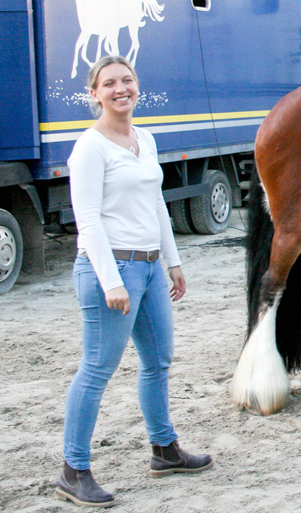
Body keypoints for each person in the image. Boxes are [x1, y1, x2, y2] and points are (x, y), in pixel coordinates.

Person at [56, 55, 212, 508]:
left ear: (137, 85)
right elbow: (87, 219)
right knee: (96, 370)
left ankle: (164, 450)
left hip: (147, 266)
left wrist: (173, 260)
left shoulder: (144, 138)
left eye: (127, 80)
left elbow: (157, 205)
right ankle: (73, 469)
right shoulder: (89, 147)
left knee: (158, 360)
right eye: (109, 84)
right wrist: (111, 281)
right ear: (94, 94)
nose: (120, 89)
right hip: (112, 270)